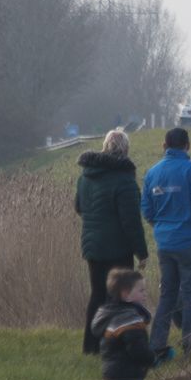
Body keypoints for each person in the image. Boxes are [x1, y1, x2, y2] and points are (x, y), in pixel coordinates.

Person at [140, 127, 191, 356]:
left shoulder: (152, 173)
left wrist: (161, 229)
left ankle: (156, 345)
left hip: (165, 244)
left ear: (164, 146)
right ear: (187, 146)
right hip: (190, 242)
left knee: (168, 295)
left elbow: (147, 209)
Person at [76, 128, 149, 356]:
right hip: (118, 248)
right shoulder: (124, 180)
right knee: (120, 296)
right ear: (125, 150)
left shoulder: (85, 176)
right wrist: (141, 251)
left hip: (92, 246)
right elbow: (131, 221)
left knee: (97, 294)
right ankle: (115, 344)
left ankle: (90, 345)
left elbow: (79, 207)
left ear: (105, 147)